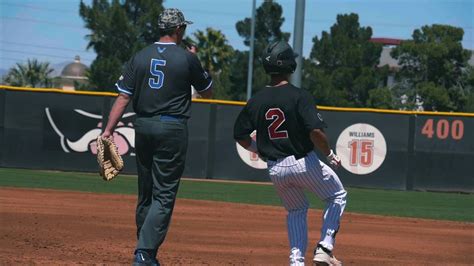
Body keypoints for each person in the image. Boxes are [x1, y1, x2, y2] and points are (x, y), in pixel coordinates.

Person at [101, 8, 212, 266]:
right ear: (178, 30)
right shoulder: (187, 58)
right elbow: (207, 92)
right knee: (164, 195)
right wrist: (194, 60)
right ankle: (144, 253)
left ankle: (144, 246)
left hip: (144, 126)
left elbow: (123, 97)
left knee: (147, 192)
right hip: (171, 128)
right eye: (183, 27)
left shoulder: (139, 57)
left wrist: (108, 131)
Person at [233, 41, 346, 266]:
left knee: (296, 210)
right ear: (289, 65)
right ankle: (324, 247)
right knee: (337, 196)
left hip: (275, 168)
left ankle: (296, 262)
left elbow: (240, 135)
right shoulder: (299, 95)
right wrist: (330, 154)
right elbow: (315, 131)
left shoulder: (256, 100)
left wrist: (260, 151)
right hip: (303, 163)